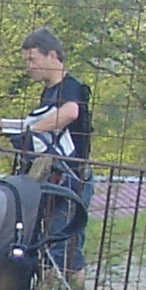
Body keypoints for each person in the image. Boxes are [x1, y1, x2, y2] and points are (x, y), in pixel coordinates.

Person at [17, 26, 94, 268]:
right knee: (52, 241)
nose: (29, 66)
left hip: (74, 177)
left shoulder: (71, 87)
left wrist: (32, 130)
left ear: (52, 55)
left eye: (32, 59)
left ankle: (72, 289)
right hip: (55, 176)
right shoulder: (48, 92)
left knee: (66, 246)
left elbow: (70, 112)